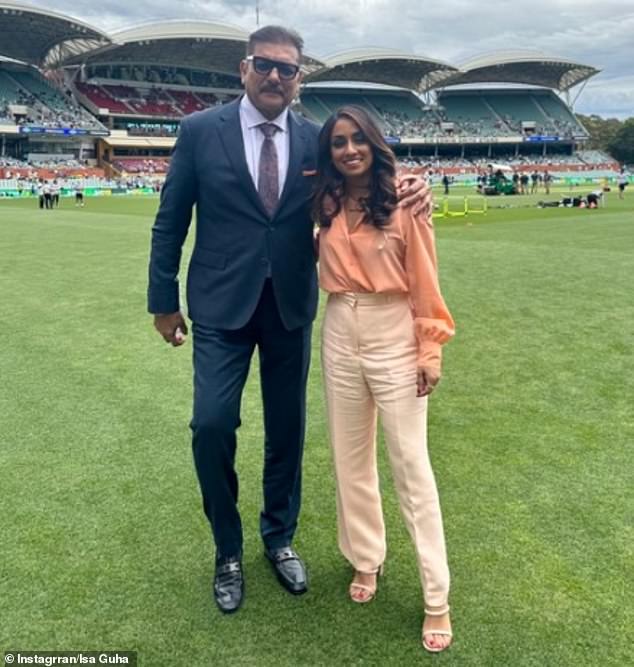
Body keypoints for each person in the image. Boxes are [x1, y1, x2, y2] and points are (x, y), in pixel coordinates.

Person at [147, 26, 431, 616]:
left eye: (288, 70)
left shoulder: (314, 141)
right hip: (221, 306)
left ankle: (279, 538)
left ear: (300, 80)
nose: (276, 77)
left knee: (287, 431)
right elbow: (170, 220)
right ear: (243, 68)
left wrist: (412, 184)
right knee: (212, 424)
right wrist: (162, 300)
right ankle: (228, 549)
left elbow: (364, 176)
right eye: (265, 66)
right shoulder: (201, 131)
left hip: (291, 307)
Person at [313, 106, 454, 653]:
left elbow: (424, 278)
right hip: (339, 328)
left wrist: (429, 349)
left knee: (410, 465)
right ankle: (365, 558)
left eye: (358, 140)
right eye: (339, 142)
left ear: (374, 143)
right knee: (350, 460)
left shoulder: (405, 199)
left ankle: (436, 597)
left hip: (394, 327)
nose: (349, 150)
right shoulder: (323, 203)